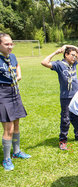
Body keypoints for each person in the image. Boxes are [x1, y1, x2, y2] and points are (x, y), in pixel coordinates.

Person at [41, 45, 78, 151]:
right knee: (65, 119)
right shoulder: (59, 64)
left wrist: (68, 46)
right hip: (66, 96)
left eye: (75, 56)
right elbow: (44, 62)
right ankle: (63, 140)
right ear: (66, 54)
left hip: (76, 94)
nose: (75, 57)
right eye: (72, 55)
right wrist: (56, 52)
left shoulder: (74, 64)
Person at [0, 33, 31, 171]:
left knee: (17, 124)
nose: (10, 46)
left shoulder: (12, 56)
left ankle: (16, 152)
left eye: (11, 43)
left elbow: (17, 65)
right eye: (6, 44)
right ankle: (6, 159)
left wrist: (19, 75)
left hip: (15, 93)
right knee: (9, 128)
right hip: (3, 94)